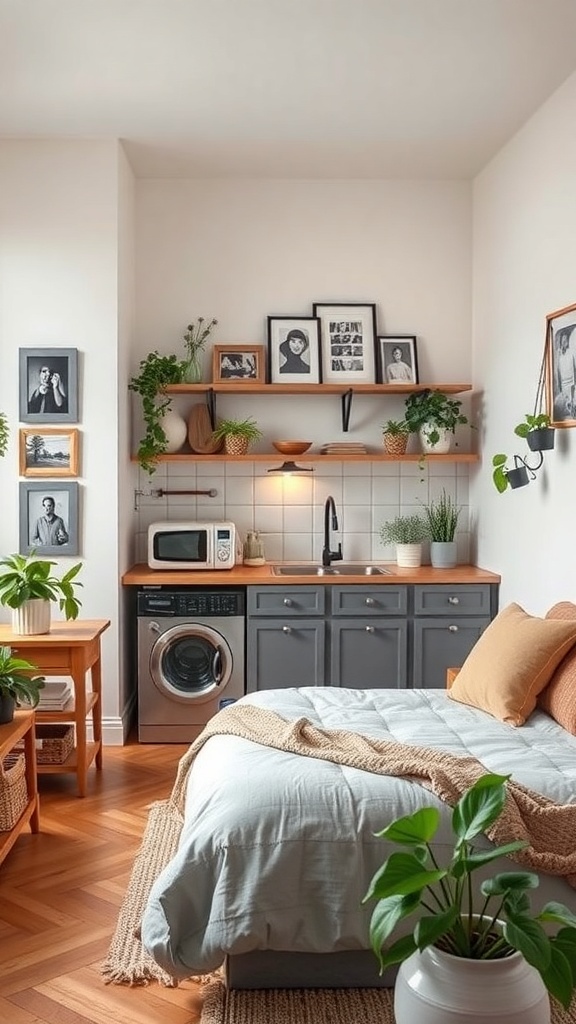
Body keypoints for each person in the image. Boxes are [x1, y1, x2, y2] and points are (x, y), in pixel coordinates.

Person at [554, 326, 576, 420]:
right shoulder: (559, 355)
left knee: (572, 399)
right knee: (565, 402)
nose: (565, 342)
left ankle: (573, 411)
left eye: (566, 339)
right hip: (563, 385)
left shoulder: (571, 352)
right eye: (563, 340)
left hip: (572, 383)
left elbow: (574, 368)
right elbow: (558, 372)